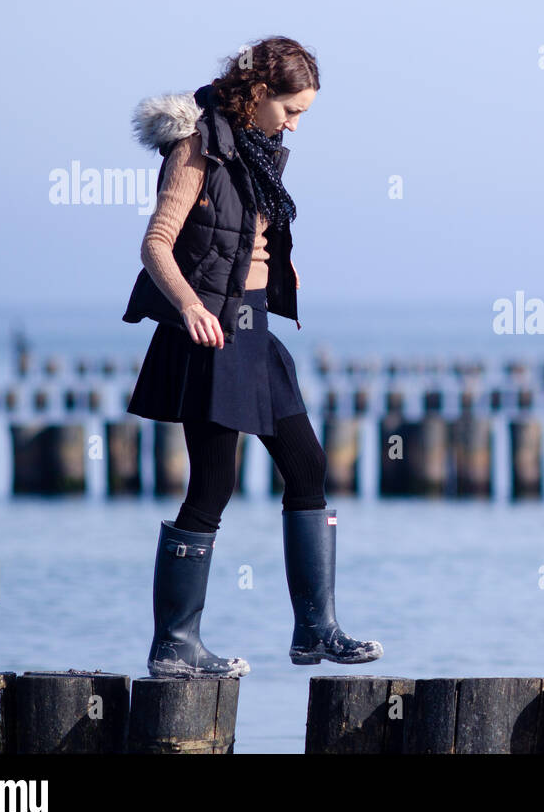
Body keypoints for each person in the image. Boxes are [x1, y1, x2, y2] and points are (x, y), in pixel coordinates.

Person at [121, 36, 382, 678]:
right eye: (290, 111)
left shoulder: (259, 151)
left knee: (309, 466)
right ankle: (175, 645)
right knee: (213, 487)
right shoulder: (197, 144)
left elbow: (247, 237)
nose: (295, 125)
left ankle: (316, 631)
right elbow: (156, 243)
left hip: (254, 329)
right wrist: (188, 307)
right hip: (208, 331)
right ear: (260, 93)